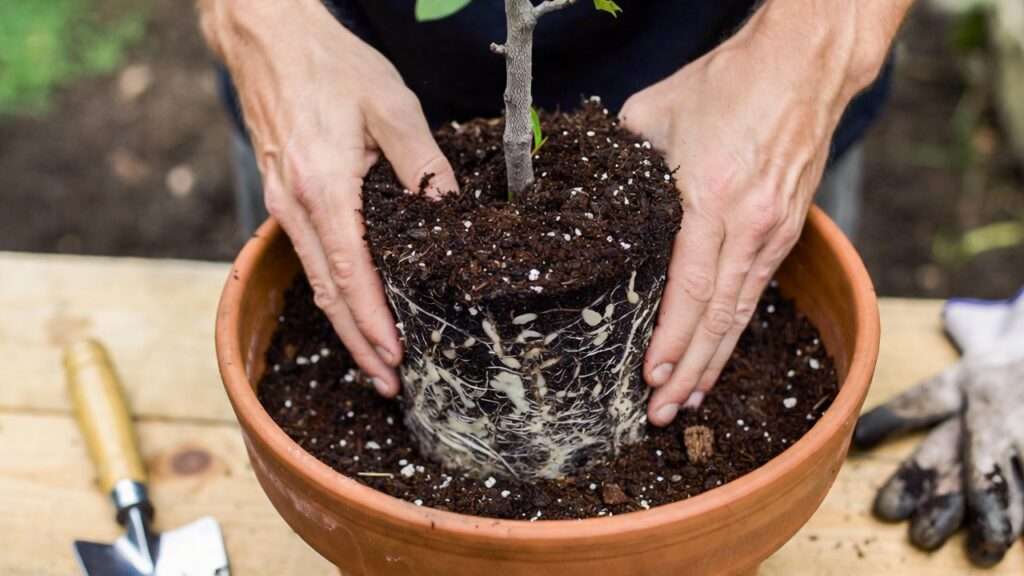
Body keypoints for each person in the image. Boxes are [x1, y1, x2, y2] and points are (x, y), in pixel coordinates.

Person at [196, 0, 910, 427]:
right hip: (326, 85)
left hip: (751, 91)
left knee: (737, 275)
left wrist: (822, 42)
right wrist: (259, 19)